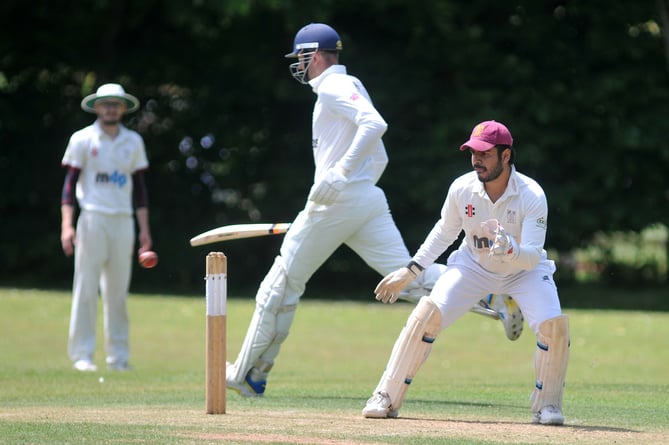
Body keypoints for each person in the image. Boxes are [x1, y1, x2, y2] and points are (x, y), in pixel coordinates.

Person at [225, 23, 523, 398]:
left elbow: (375, 125)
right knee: (408, 279)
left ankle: (247, 374)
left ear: (313, 56)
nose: (299, 65)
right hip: (363, 200)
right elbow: (378, 153)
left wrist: (339, 179)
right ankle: (494, 294)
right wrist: (355, 187)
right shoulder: (347, 87)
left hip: (341, 203)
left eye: (301, 57)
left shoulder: (333, 87)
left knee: (281, 284)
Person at [361, 120, 569, 425]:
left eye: (485, 153)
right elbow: (444, 233)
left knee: (554, 326)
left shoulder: (532, 195)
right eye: (473, 152)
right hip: (474, 266)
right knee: (427, 313)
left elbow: (532, 256)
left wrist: (511, 249)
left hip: (524, 271)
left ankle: (548, 405)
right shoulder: (462, 188)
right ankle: (386, 396)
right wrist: (410, 271)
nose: (476, 160)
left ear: (506, 155)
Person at [60, 83, 153, 372]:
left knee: (117, 292)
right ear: (96, 107)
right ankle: (82, 356)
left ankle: (118, 359)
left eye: (115, 104)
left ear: (123, 108)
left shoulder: (133, 142)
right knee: (86, 287)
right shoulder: (82, 139)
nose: (110, 108)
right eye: (105, 104)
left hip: (123, 221)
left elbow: (139, 190)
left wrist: (144, 231)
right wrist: (67, 225)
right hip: (92, 218)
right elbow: (69, 186)